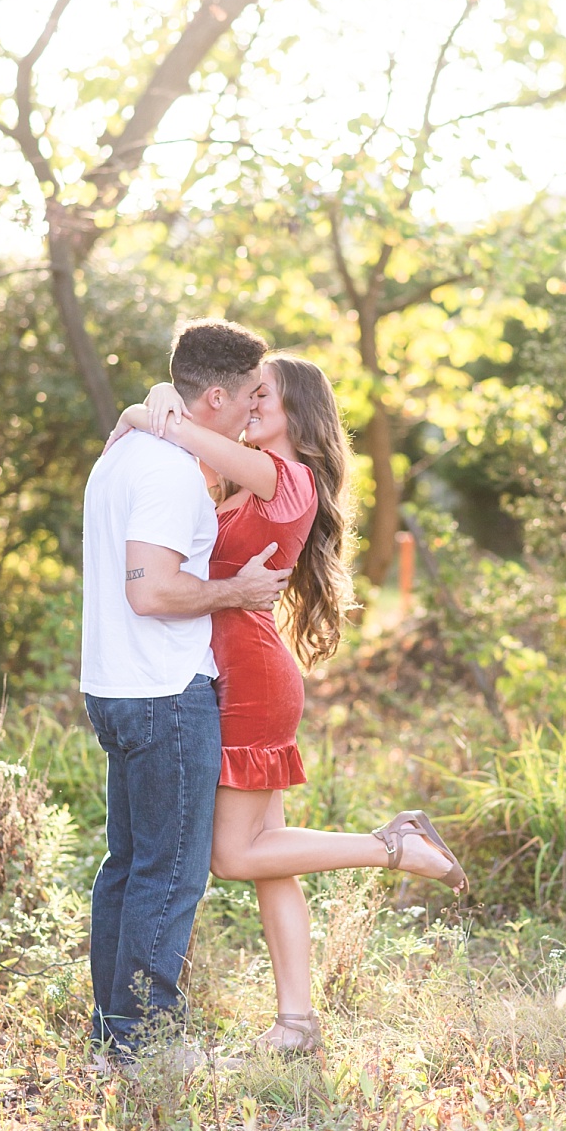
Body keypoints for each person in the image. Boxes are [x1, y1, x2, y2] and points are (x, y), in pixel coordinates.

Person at [106, 349, 468, 1056]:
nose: (250, 402)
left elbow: (176, 426)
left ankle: (392, 847)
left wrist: (152, 407)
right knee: (270, 857)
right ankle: (297, 1023)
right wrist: (150, 399)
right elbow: (172, 428)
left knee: (233, 856)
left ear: (296, 411)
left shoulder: (289, 480)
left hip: (251, 681)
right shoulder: (239, 482)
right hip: (231, 672)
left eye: (262, 393)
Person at [81, 319, 290, 1067]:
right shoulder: (169, 473)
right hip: (164, 692)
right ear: (214, 397)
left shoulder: (123, 453)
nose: (254, 412)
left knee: (128, 866)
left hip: (117, 686)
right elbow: (152, 591)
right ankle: (145, 1046)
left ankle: (115, 1039)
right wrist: (239, 591)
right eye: (249, 397)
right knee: (169, 874)